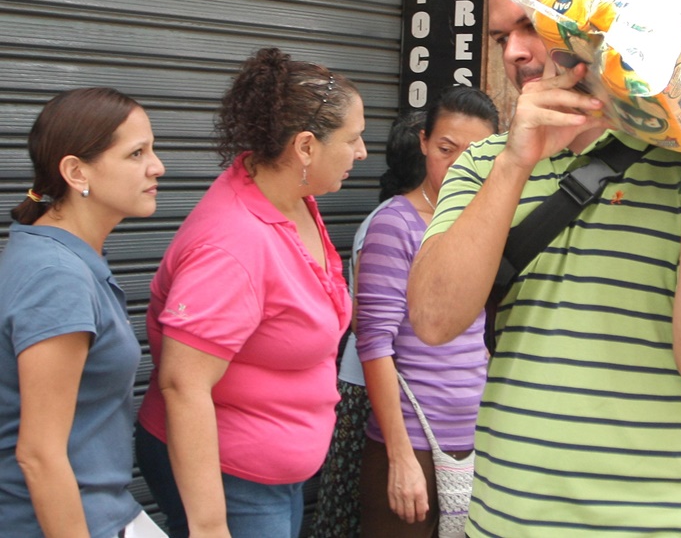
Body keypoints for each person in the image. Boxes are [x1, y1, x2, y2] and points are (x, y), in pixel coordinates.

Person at [406, 0, 681, 536]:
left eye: (531, 26)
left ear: (597, 21)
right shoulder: (481, 163)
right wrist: (515, 162)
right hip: (504, 519)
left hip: (655, 523)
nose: (514, 52)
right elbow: (434, 321)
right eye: (499, 37)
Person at [135, 47, 366, 538]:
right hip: (230, 478)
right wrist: (210, 525)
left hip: (273, 472)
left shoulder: (292, 200)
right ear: (305, 147)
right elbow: (183, 383)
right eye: (353, 138)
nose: (362, 152)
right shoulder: (232, 244)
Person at [0, 88, 166, 537]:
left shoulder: (55, 253)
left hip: (105, 510)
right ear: (76, 172)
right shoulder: (58, 277)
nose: (158, 166)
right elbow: (38, 454)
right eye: (136, 153)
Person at [358, 86, 499, 536]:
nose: (459, 164)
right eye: (445, 148)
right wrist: (399, 456)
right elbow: (375, 344)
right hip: (414, 439)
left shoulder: (487, 224)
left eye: (475, 152)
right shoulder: (394, 224)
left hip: (477, 438)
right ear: (423, 143)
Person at [311, 109, 427, 538]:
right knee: (353, 509)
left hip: (397, 390)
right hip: (368, 388)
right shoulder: (386, 225)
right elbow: (371, 330)